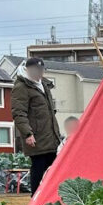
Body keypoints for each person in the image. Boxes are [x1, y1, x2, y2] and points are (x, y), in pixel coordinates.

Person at [11, 57, 61, 194]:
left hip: (51, 136)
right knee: (38, 169)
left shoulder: (44, 85)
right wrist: (28, 133)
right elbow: (19, 113)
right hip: (36, 137)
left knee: (53, 170)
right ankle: (35, 202)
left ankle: (50, 200)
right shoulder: (21, 87)